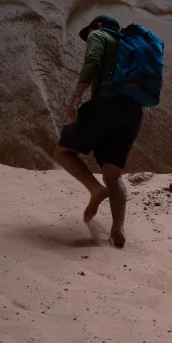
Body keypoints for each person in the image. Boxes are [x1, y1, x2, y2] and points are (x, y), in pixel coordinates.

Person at [53, 15, 143, 248]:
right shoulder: (131, 46)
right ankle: (117, 230)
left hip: (106, 104)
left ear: (99, 26)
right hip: (133, 112)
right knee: (113, 173)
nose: (89, 37)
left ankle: (95, 190)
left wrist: (75, 97)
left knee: (63, 152)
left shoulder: (99, 34)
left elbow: (92, 60)